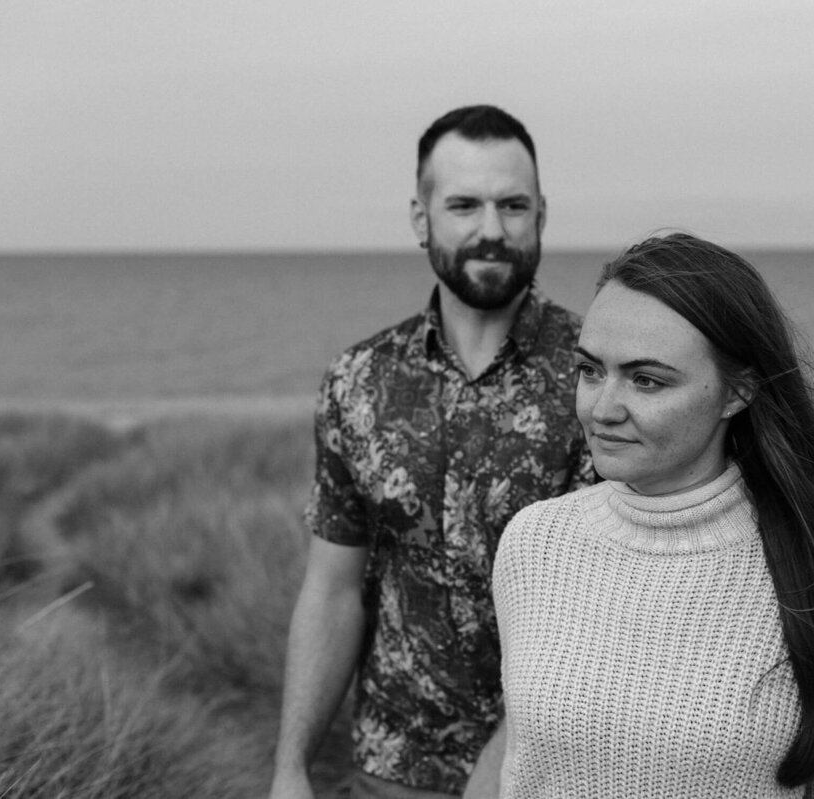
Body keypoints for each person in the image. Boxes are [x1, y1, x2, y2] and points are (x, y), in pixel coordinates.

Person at [485, 233, 814, 797]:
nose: (602, 408)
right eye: (591, 370)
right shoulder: (535, 543)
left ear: (736, 391)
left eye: (646, 380)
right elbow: (523, 774)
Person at [269, 105, 592, 799]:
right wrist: (291, 766)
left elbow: (607, 599)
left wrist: (509, 747)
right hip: (390, 769)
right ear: (421, 219)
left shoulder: (599, 377)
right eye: (463, 205)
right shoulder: (358, 381)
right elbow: (332, 589)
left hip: (554, 770)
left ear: (542, 214)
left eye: (513, 205)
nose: (492, 230)